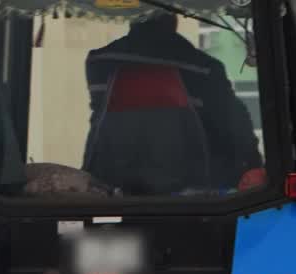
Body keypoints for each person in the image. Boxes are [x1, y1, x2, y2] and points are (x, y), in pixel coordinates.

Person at [83, 11, 265, 194]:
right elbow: (233, 125)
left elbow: (101, 121)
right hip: (192, 199)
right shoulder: (204, 68)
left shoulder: (99, 62)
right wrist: (253, 166)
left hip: (109, 191)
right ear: (172, 20)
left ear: (132, 20)